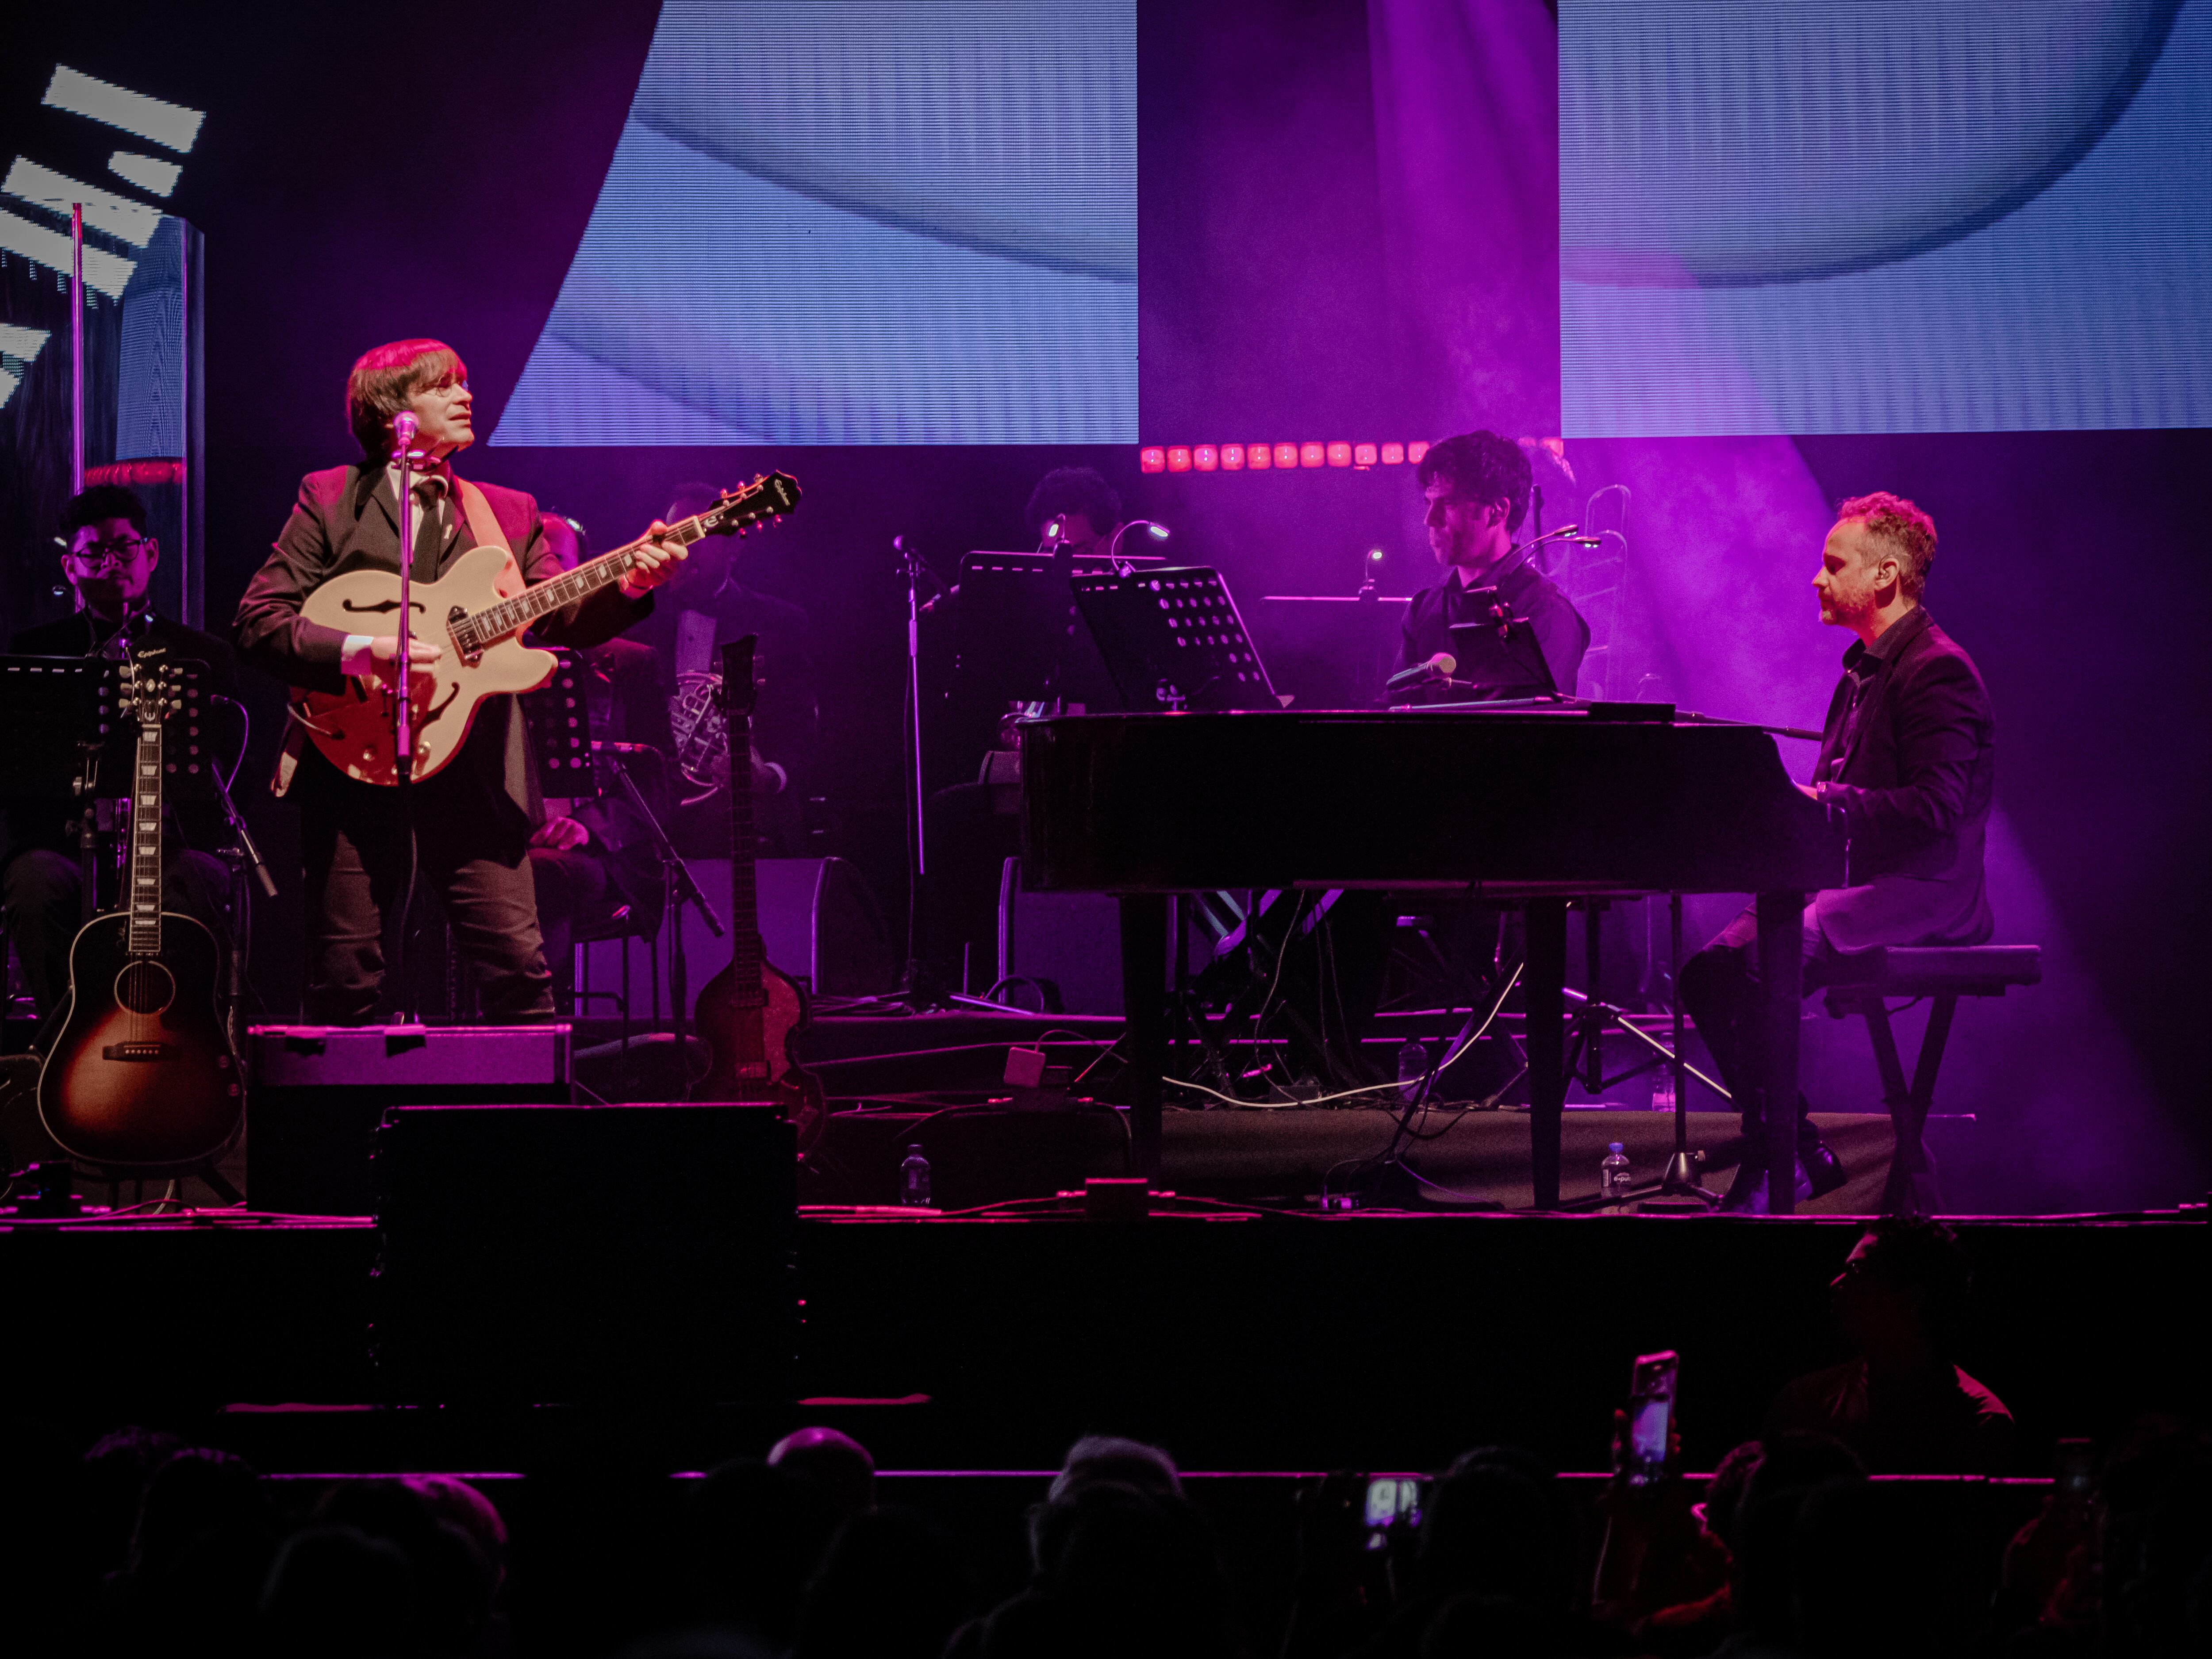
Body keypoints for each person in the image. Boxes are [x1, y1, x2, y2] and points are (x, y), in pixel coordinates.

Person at [231, 339, 684, 1023]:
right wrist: (362, 649)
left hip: (477, 772)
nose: (465, 395)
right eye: (444, 385)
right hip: (353, 764)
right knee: (347, 980)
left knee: (521, 979)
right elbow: (258, 620)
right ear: (393, 411)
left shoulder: (506, 509)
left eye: (466, 382)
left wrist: (629, 584)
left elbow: (557, 611)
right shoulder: (330, 497)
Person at [1680, 492, 1995, 1210]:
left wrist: (1826, 802)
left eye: (1833, 565)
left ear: (1885, 575)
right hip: (1858, 886)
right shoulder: (1862, 670)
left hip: (1924, 891)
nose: (1816, 580)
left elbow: (1937, 811)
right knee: (1707, 974)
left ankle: (1784, 1157)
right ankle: (1792, 1147)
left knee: (1757, 964)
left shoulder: (1938, 671)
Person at [2, 485, 239, 1024]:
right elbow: (15, 781)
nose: (111, 563)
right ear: (70, 566)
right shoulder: (35, 649)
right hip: (63, 843)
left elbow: (222, 783)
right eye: (93, 552)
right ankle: (73, 1037)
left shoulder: (204, 656)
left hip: (168, 846)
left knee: (198, 880)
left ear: (151, 554)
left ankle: (170, 1033)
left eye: (125, 547)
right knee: (35, 885)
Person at [1764, 1217, 2014, 1475]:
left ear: (1911, 1299)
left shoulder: (1981, 1422)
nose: (1836, 1284)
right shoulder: (1804, 1401)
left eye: (1856, 1272)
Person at [649, 480, 815, 860]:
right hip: (650, 815)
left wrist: (769, 775)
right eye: (674, 536)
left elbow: (800, 728)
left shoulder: (779, 623)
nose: (682, 549)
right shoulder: (637, 621)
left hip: (739, 815)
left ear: (734, 548)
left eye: (696, 535)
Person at [1395, 431, 1589, 697]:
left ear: (1498, 511)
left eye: (1448, 503)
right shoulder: (1423, 610)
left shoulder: (1546, 612)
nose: (1429, 519)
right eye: (1429, 503)